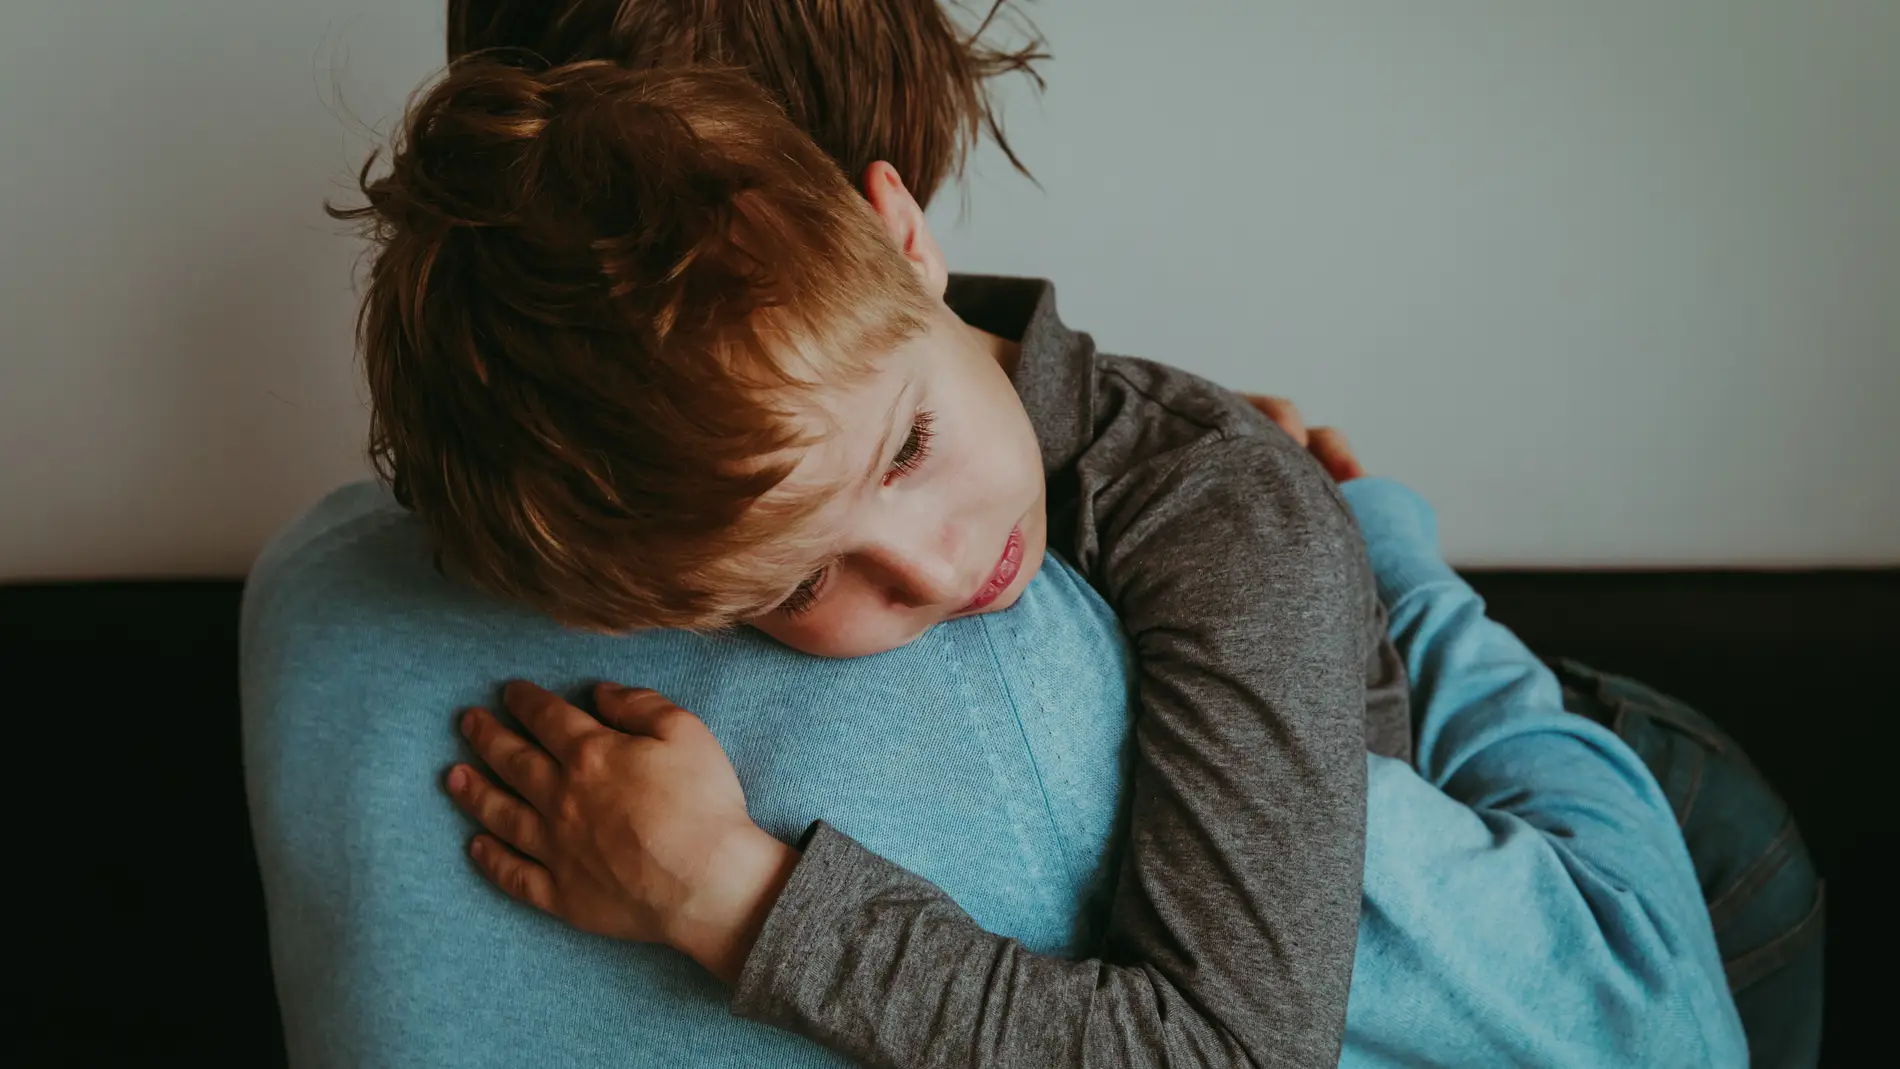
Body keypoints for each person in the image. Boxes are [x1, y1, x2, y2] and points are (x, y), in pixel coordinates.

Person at [329, 55, 1405, 1067]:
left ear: (902, 238)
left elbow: (1231, 1050)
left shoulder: (1224, 506)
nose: (933, 571)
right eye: (801, 583)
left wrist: (725, 892)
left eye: (909, 448)